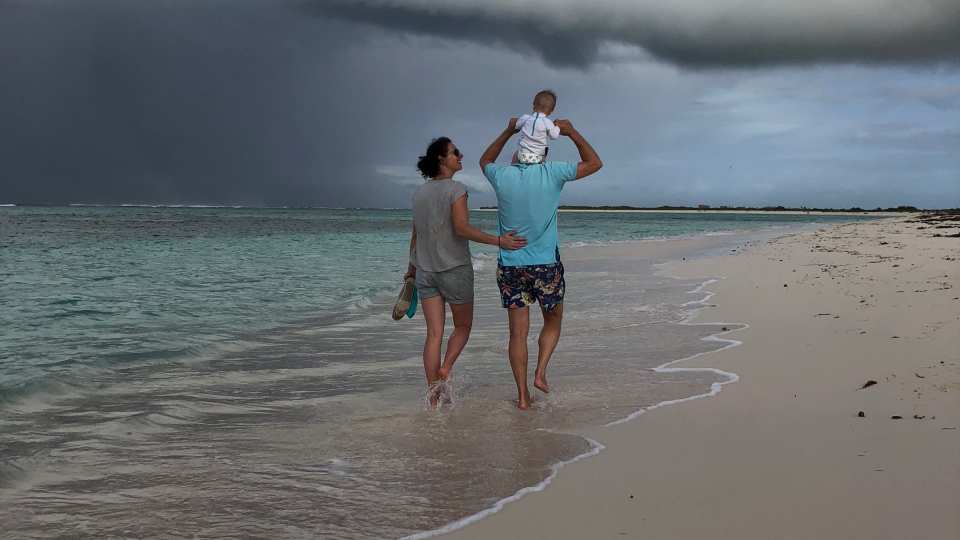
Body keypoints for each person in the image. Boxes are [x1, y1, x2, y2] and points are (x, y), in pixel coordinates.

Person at [479, 117, 603, 409]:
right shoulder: (552, 172)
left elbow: (485, 158)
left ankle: (523, 397)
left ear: (517, 154)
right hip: (545, 265)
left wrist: (508, 130)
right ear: (544, 155)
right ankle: (541, 371)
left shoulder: (502, 176)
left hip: (510, 266)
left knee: (517, 334)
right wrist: (572, 132)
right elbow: (595, 162)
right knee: (554, 319)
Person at [404, 137, 526, 407]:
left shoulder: (419, 193)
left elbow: (416, 234)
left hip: (424, 270)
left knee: (433, 334)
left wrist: (410, 269)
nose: (460, 156)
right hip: (454, 269)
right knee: (463, 326)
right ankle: (446, 368)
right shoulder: (456, 189)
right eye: (454, 153)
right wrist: (500, 241)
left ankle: (434, 396)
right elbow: (461, 228)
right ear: (441, 159)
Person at [512, 89, 561, 165]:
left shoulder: (526, 118)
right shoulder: (547, 122)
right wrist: (557, 127)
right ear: (551, 110)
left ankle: (514, 169)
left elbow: (516, 126)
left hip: (522, 156)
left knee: (515, 155)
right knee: (544, 153)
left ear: (533, 104)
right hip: (538, 158)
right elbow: (554, 136)